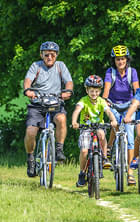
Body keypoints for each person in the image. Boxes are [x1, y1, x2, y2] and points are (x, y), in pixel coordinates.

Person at [23, 41, 74, 177]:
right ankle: (31, 158)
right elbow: (28, 80)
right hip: (37, 104)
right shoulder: (36, 66)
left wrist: (67, 91)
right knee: (31, 132)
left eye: (52, 54)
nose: (49, 57)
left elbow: (68, 81)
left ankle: (59, 150)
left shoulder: (60, 66)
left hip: (55, 103)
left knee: (61, 119)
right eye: (46, 55)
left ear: (56, 55)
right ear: (42, 55)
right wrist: (28, 90)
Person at [102, 45, 140, 185]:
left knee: (130, 138)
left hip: (129, 105)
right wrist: (104, 101)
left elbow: (136, 89)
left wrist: (137, 103)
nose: (120, 62)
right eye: (118, 59)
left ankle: (130, 173)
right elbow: (106, 89)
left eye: (123, 59)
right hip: (113, 104)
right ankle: (109, 147)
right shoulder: (110, 72)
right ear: (114, 60)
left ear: (127, 59)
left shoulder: (132, 72)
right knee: (115, 124)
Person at [71, 75, 118, 187]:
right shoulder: (84, 101)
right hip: (86, 128)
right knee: (84, 151)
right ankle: (82, 173)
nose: (94, 94)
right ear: (87, 90)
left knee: (101, 134)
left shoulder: (101, 101)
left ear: (100, 91)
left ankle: (104, 157)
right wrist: (74, 122)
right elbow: (77, 110)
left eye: (97, 91)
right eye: (92, 91)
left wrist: (113, 120)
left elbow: (109, 112)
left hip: (98, 126)